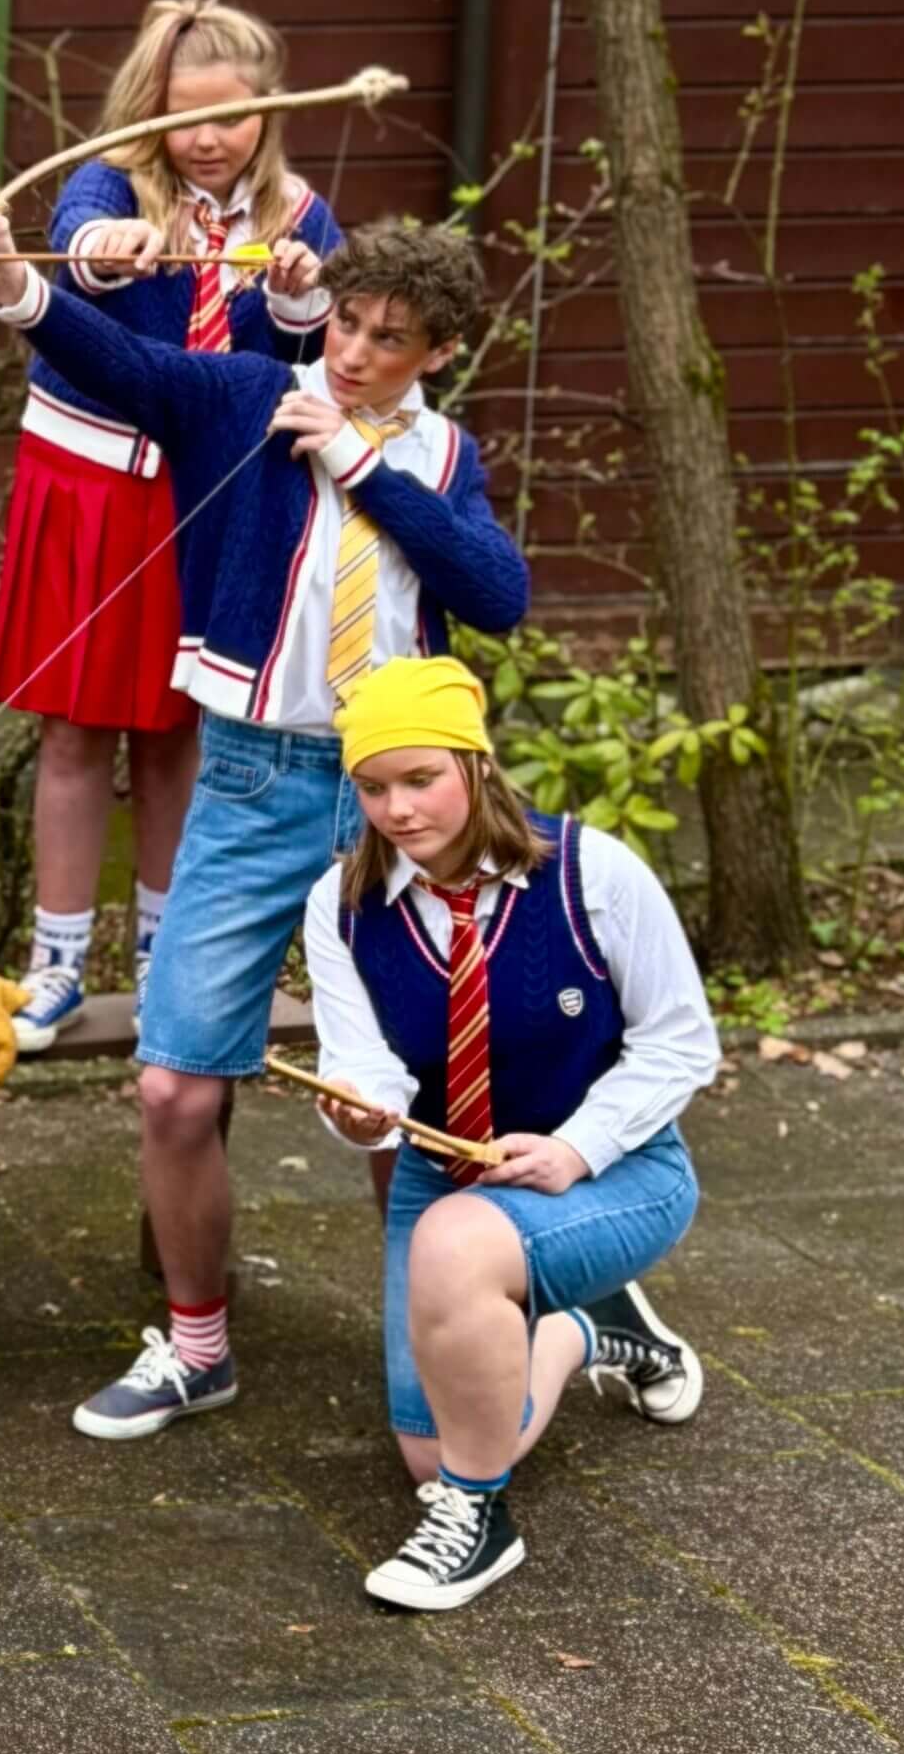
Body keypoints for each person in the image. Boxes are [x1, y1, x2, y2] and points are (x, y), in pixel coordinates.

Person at [0, 197, 531, 1440]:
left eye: (389, 338)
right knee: (173, 1089)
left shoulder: (442, 456)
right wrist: (8, 282)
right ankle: (197, 1344)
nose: (353, 353)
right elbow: (123, 361)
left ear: (437, 351)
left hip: (401, 795)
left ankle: (444, 1330)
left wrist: (359, 464)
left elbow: (495, 594)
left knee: (409, 1098)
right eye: (347, 324)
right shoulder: (252, 393)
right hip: (255, 780)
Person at [304, 656, 716, 1609]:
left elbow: (681, 1043)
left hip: (618, 1170)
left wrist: (577, 1148)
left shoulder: (591, 874)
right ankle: (590, 1328)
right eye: (374, 787)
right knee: (431, 1450)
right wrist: (358, 1108)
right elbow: (365, 1062)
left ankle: (479, 1523)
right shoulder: (342, 905)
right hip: (448, 1170)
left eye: (421, 779)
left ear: (476, 764)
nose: (398, 809)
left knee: (454, 1261)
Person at [0, 0, 345, 1052]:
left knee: (176, 729)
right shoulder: (111, 180)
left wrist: (299, 298)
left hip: (208, 495)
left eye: (233, 116)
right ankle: (55, 964)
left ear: (270, 111)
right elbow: (77, 250)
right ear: (149, 112)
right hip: (91, 481)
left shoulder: (300, 212)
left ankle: (164, 959)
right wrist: (111, 248)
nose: (210, 138)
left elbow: (305, 357)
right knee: (72, 727)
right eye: (186, 116)